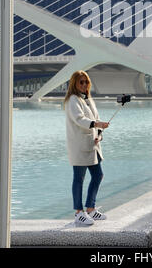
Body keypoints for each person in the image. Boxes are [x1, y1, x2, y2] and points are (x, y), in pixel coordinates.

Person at [64, 70, 109, 227]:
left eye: (86, 82)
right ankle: (78, 212)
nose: (84, 85)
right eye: (81, 82)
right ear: (74, 84)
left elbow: (94, 119)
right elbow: (80, 120)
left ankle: (90, 208)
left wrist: (99, 132)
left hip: (92, 145)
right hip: (80, 146)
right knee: (79, 179)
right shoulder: (72, 100)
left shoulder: (88, 99)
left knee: (98, 175)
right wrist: (97, 124)